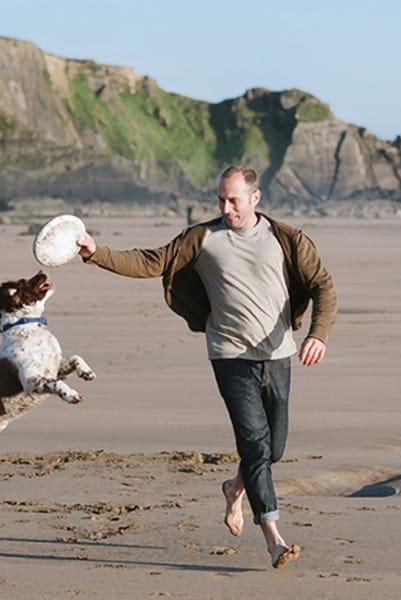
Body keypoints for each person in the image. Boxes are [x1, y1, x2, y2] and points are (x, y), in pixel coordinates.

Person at [75, 165, 336, 569]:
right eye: (220, 200)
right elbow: (150, 262)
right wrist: (97, 253)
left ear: (255, 198)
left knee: (274, 448)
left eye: (234, 200)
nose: (226, 208)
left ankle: (234, 487)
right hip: (229, 355)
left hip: (279, 354)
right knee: (254, 443)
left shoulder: (286, 239)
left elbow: (323, 286)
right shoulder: (203, 239)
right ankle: (273, 538)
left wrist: (317, 334)